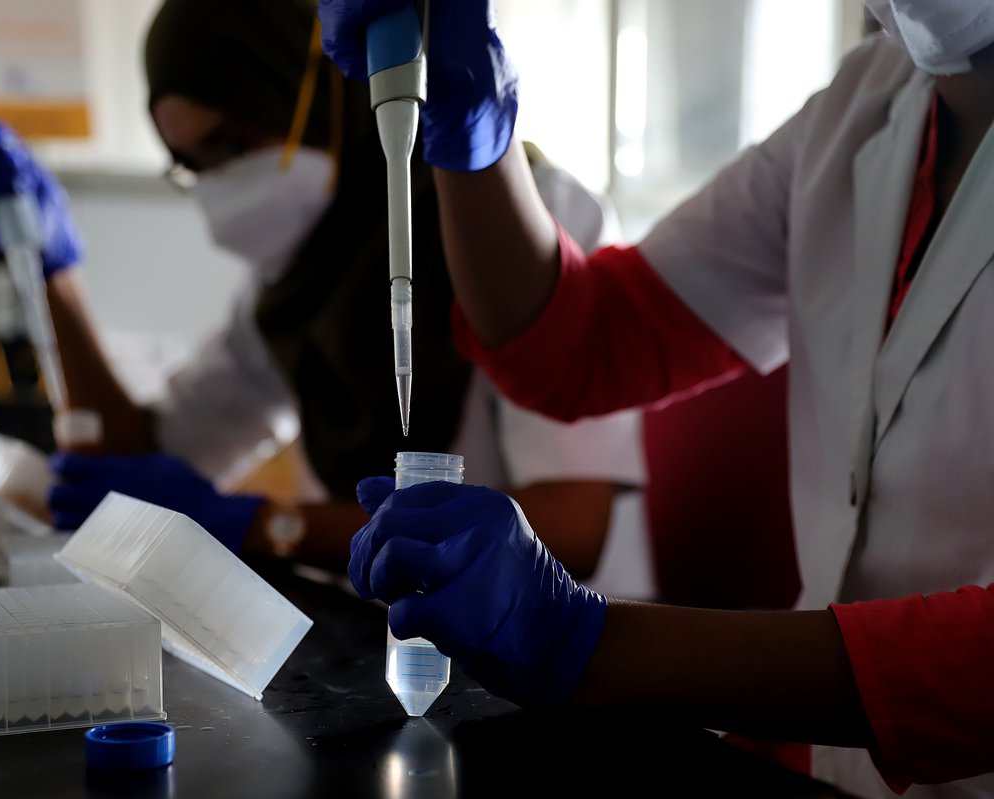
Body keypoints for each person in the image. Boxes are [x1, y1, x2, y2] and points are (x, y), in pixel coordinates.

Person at [320, 0, 994, 797]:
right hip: (819, 762)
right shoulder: (866, 104)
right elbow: (585, 346)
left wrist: (586, 639)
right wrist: (477, 142)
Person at [0, 0, 645, 585]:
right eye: (191, 165)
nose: (223, 186)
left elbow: (572, 529)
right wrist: (48, 269)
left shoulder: (536, 219)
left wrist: (265, 524)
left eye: (237, 141)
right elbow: (142, 456)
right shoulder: (295, 287)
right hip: (394, 648)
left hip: (566, 666)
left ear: (327, 95)